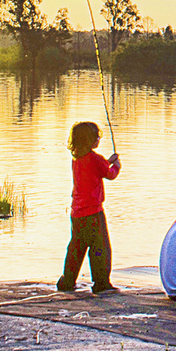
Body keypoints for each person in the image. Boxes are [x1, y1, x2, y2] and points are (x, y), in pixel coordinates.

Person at [58, 121, 121, 293]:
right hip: (94, 213)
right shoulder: (96, 159)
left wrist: (107, 161)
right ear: (91, 140)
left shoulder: (77, 158)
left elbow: (95, 169)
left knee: (76, 247)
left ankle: (67, 280)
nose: (99, 139)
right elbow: (109, 174)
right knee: (100, 247)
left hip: (77, 213)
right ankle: (101, 283)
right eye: (97, 137)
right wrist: (116, 165)